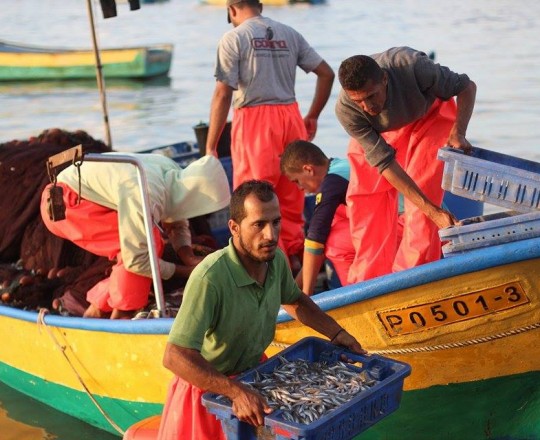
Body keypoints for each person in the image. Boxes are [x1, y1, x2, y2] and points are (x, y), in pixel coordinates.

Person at [157, 180, 365, 440]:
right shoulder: (210, 277)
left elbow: (295, 300)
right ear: (234, 227)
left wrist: (336, 333)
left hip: (255, 378)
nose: (270, 235)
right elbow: (175, 356)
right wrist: (235, 392)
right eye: (258, 224)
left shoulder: (275, 259)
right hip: (208, 393)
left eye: (275, 222)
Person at [205, 0, 335, 268]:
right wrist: (312, 116)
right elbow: (326, 73)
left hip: (255, 123)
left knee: (255, 205)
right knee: (290, 205)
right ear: (260, 5)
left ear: (231, 10)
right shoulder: (289, 33)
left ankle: (272, 280)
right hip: (291, 116)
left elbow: (222, 92)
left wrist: (211, 146)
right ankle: (301, 274)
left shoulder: (234, 38)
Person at [335, 46, 477, 283]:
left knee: (422, 200)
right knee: (364, 204)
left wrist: (458, 131)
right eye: (358, 100)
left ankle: (412, 279)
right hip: (380, 134)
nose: (367, 107)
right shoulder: (347, 109)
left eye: (372, 96)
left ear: (385, 79)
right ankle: (369, 284)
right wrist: (432, 210)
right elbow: (384, 164)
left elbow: (466, 86)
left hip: (427, 117)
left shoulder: (412, 66)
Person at [40, 153, 231, 319]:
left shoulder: (174, 173)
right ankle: (120, 317)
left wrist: (187, 255)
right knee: (146, 245)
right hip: (64, 203)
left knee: (138, 247)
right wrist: (186, 272)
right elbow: (137, 260)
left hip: (80, 193)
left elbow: (178, 219)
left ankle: (98, 307)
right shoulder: (147, 192)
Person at [280, 140, 355, 295]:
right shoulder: (339, 166)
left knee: (335, 243)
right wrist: (293, 291)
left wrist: (306, 298)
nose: (300, 188)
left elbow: (315, 240)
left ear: (308, 170)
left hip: (399, 221)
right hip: (391, 221)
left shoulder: (333, 181)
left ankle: (357, 294)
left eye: (297, 181)